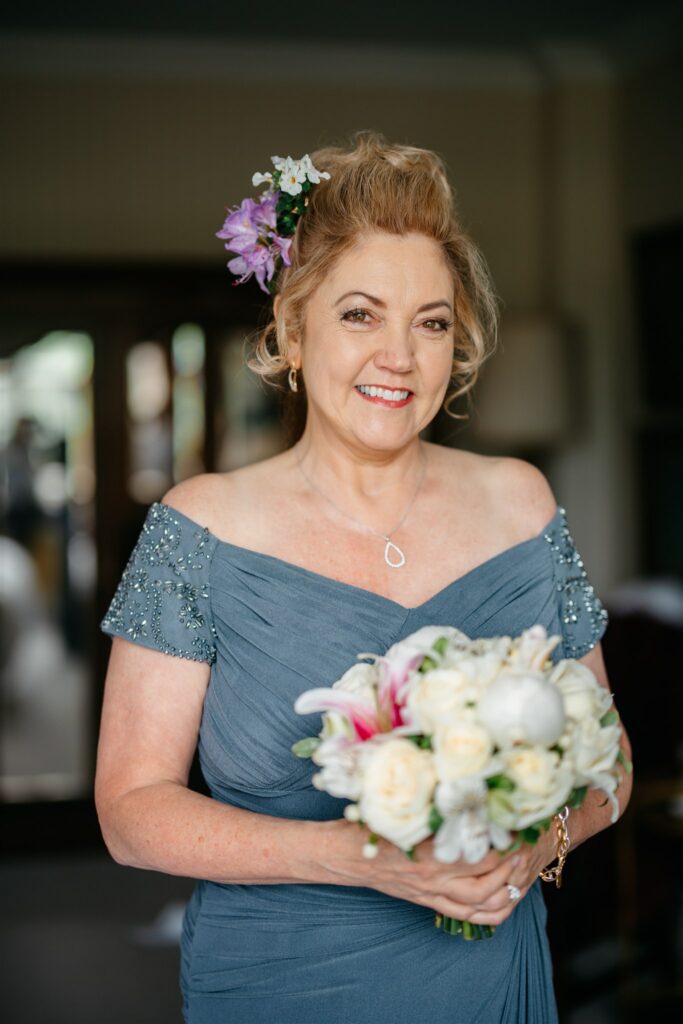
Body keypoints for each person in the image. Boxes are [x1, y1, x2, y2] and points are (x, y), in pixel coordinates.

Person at [95, 131, 632, 1023]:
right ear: (290, 332)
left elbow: (607, 756)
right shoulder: (198, 527)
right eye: (359, 314)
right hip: (277, 983)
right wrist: (362, 856)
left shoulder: (520, 504)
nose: (400, 355)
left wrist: (533, 844)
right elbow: (129, 812)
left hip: (491, 979)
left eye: (429, 322)